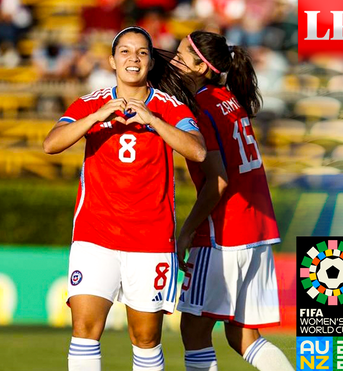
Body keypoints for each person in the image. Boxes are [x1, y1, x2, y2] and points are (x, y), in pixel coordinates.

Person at [42, 26, 206, 371]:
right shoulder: (90, 103)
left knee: (145, 339)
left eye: (142, 52)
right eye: (126, 52)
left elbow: (198, 151)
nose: (134, 59)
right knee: (85, 330)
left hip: (151, 240)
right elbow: (51, 144)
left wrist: (153, 121)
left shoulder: (169, 107)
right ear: (112, 60)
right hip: (95, 234)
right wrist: (95, 118)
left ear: (149, 61)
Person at [172, 31, 293, 371]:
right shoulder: (229, 97)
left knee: (194, 331)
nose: (175, 59)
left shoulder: (202, 107)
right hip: (258, 230)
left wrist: (185, 234)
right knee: (244, 338)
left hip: (223, 234)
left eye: (182, 55)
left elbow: (218, 183)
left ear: (201, 66)